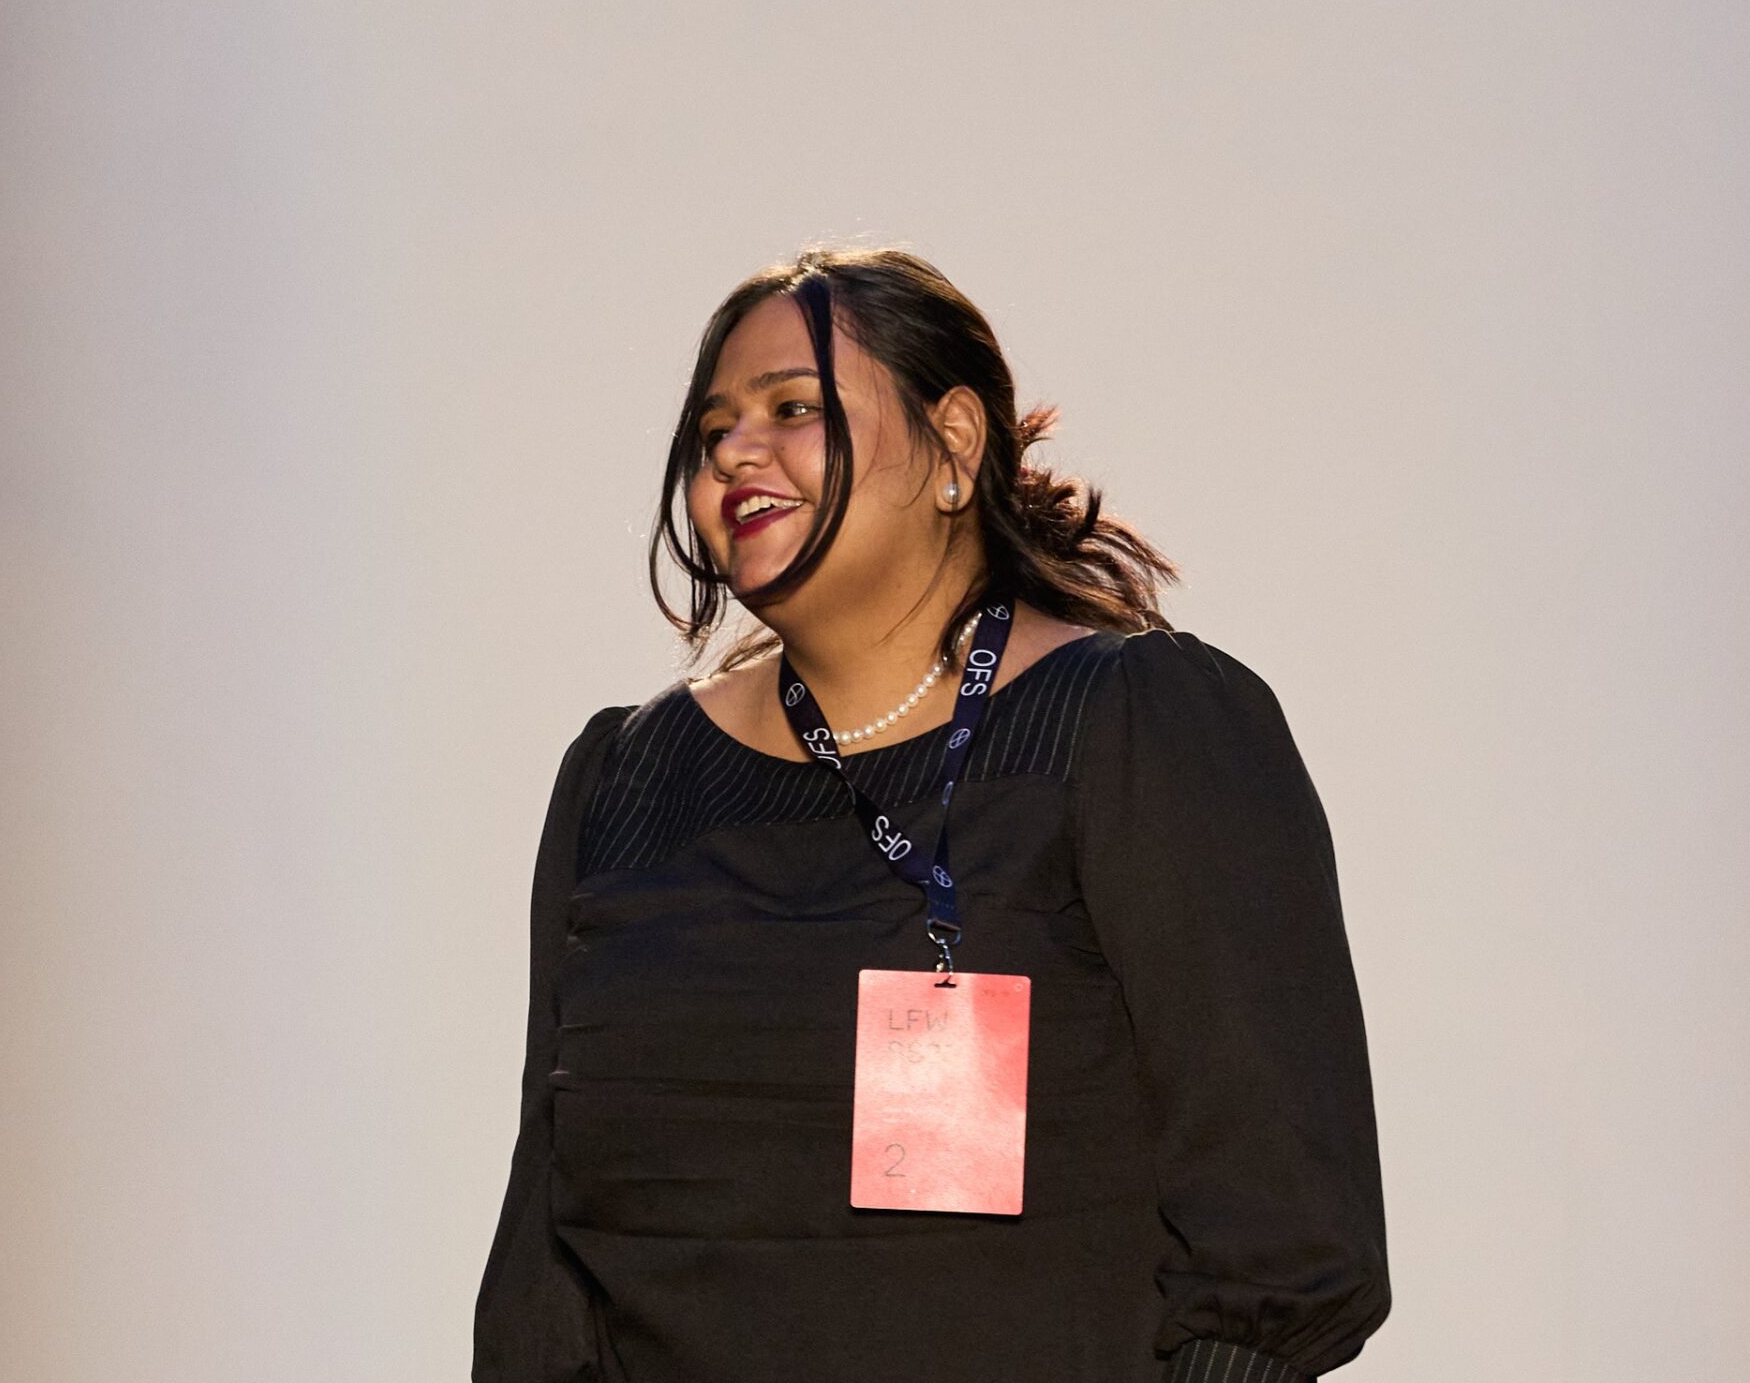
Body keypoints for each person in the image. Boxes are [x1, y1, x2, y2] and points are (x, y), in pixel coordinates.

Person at [471, 245, 1391, 1382]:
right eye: (713, 431)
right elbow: (543, 1270)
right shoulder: (622, 779)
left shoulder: (1140, 726)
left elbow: (1285, 1235)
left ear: (953, 443)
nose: (736, 453)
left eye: (793, 409)